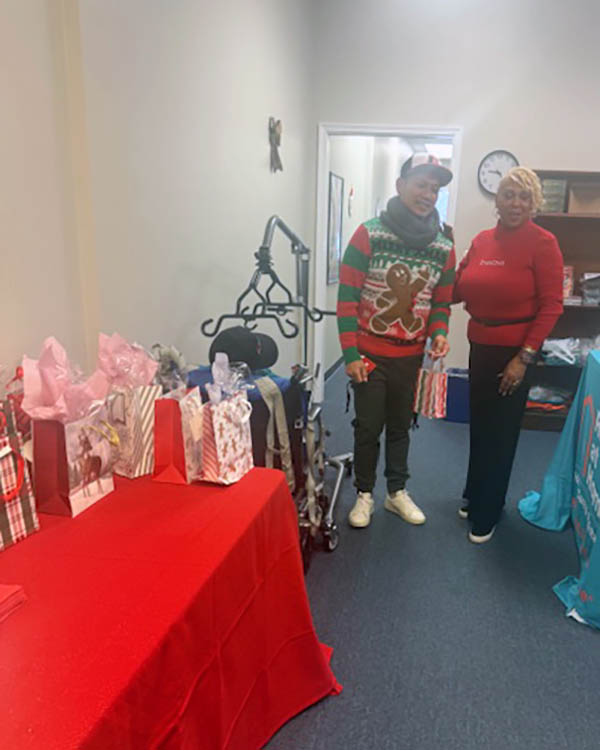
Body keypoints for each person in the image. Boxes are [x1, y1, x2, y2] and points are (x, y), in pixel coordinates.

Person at [337, 153, 456, 529]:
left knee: (402, 427)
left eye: (435, 189)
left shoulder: (443, 247)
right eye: (421, 184)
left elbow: (441, 302)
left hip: (410, 357)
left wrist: (438, 332)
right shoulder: (368, 234)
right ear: (401, 185)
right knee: (369, 426)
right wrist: (350, 353)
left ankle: (396, 493)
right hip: (369, 355)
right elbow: (346, 301)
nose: (428, 194)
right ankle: (365, 494)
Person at [453, 166, 563, 543]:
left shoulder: (543, 242)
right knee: (480, 426)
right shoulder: (482, 240)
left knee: (501, 433)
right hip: (479, 346)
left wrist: (524, 357)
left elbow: (552, 305)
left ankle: (488, 510)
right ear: (496, 201)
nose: (515, 203)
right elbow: (457, 289)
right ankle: (475, 493)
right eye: (508, 195)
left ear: (534, 203)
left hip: (515, 353)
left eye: (524, 196)